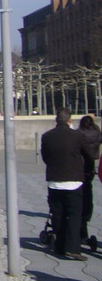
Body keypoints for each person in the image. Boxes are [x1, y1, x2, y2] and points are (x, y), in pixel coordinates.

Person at [41, 108, 94, 260]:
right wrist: (87, 170)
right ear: (70, 120)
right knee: (74, 215)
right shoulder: (77, 135)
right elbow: (89, 155)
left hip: (54, 181)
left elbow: (45, 156)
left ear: (56, 120)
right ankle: (73, 248)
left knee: (57, 214)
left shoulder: (47, 136)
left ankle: (59, 246)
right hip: (74, 181)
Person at [79, 115, 101, 244]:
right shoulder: (97, 133)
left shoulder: (79, 134)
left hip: (79, 168)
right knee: (88, 196)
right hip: (90, 166)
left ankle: (80, 230)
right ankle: (86, 219)